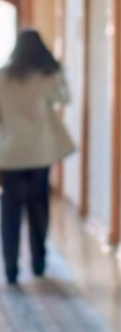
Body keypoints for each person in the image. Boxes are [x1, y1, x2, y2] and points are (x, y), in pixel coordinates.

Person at [0, 29, 75, 285]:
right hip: (39, 153)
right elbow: (65, 98)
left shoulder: (3, 77)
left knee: (10, 212)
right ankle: (38, 262)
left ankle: (10, 268)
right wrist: (59, 72)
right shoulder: (46, 77)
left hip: (10, 154)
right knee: (38, 209)